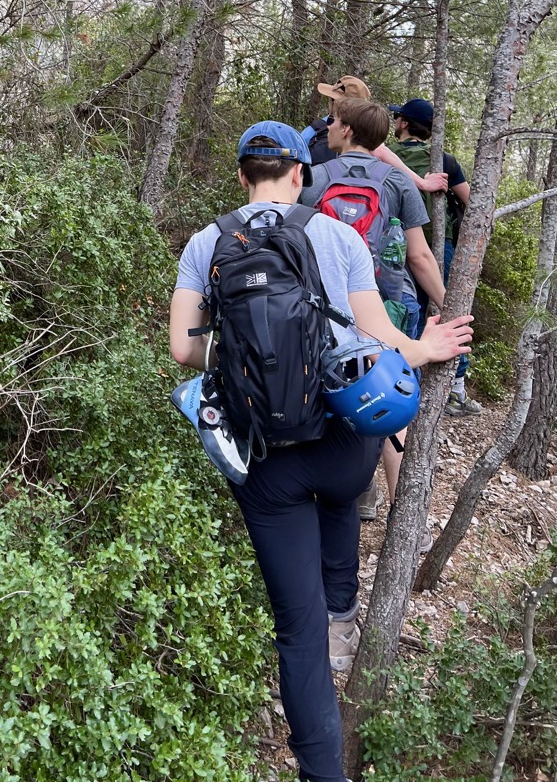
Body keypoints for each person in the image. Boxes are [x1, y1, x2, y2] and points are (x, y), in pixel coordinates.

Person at [169, 121, 473, 782]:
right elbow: (380, 335)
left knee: (295, 632)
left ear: (242, 175)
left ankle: (320, 769)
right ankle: (345, 601)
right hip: (341, 446)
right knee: (344, 487)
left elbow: (183, 349)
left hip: (264, 458)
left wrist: (250, 353)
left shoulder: (206, 242)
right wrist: (433, 347)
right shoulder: (335, 234)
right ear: (301, 173)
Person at [300, 97, 447, 521]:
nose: (328, 127)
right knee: (388, 397)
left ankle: (354, 493)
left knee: (333, 391)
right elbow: (419, 256)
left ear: (347, 131)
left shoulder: (316, 177)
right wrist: (447, 306)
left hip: (327, 307)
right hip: (384, 303)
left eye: (335, 121)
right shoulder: (398, 182)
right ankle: (405, 522)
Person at [389, 98, 479, 417]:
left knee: (403, 309)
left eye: (397, 117)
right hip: (438, 246)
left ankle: (402, 381)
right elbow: (474, 204)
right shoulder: (445, 160)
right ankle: (454, 390)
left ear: (403, 123)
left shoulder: (386, 155)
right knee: (447, 309)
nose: (394, 121)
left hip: (392, 247)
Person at [305, 77, 449, 197]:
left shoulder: (316, 128)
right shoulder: (365, 130)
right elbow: (383, 153)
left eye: (332, 100)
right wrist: (422, 183)